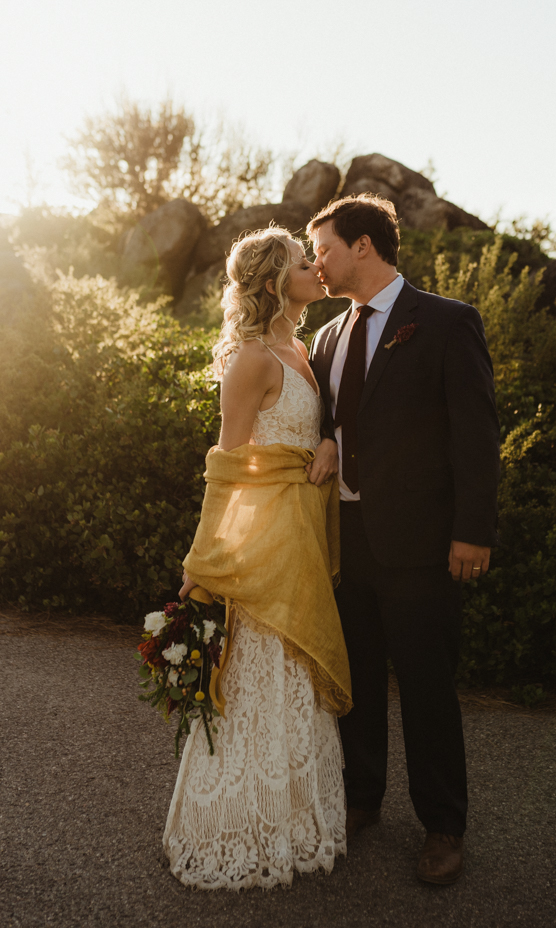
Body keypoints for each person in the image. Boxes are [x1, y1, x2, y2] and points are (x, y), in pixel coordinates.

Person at [308, 194, 500, 886]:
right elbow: (332, 428)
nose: (316, 263)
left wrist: (472, 531)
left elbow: (475, 433)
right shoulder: (325, 340)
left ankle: (444, 826)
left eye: (324, 248)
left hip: (422, 545)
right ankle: (361, 800)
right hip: (347, 542)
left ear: (364, 245)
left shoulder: (447, 322)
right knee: (355, 682)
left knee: (426, 687)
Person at [163, 227, 351, 891]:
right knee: (261, 676)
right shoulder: (251, 359)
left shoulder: (302, 347)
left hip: (305, 532)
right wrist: (203, 563)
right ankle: (239, 823)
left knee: (295, 679)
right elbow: (226, 467)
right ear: (276, 282)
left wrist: (329, 445)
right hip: (266, 540)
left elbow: (314, 431)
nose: (316, 270)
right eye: (305, 264)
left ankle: (296, 817)